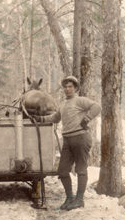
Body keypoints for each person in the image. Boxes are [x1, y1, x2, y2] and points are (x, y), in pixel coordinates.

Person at [33, 76, 101, 211]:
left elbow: (96, 106)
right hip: (68, 140)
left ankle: (79, 199)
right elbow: (55, 118)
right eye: (65, 87)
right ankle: (70, 198)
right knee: (62, 170)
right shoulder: (63, 104)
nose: (67, 89)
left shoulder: (80, 100)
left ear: (75, 88)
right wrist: (39, 118)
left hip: (81, 137)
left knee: (81, 169)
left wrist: (86, 118)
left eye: (70, 87)